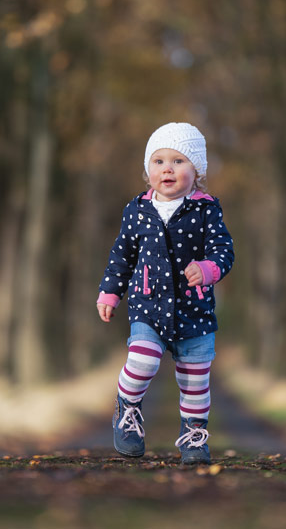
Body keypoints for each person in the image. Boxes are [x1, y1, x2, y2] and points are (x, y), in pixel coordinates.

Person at [96, 122, 234, 464]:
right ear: (148, 170)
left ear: (197, 171)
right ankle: (127, 407)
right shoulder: (137, 211)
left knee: (195, 381)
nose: (167, 169)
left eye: (178, 161)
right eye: (159, 161)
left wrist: (207, 269)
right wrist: (110, 293)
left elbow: (223, 251)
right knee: (141, 362)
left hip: (195, 311)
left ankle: (193, 437)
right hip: (149, 307)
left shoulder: (206, 210)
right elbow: (122, 256)